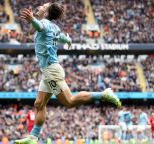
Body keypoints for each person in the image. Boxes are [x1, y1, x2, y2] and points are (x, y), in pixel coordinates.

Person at [15, 2, 121, 144]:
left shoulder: (44, 24)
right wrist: (68, 40)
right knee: (39, 103)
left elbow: (39, 26)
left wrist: (32, 20)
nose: (39, 7)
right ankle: (33, 138)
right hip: (48, 71)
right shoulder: (54, 27)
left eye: (43, 6)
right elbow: (62, 38)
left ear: (46, 13)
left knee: (69, 101)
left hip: (51, 71)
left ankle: (103, 94)